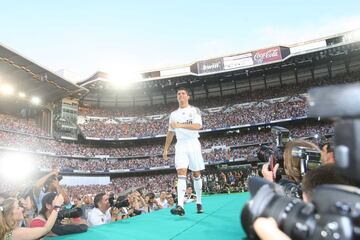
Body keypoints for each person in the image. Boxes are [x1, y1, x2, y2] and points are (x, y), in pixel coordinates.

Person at [163, 87, 205, 216]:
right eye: (178, 94)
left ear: (188, 96)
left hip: (193, 143)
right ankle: (180, 205)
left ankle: (199, 201)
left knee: (196, 174)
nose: (180, 95)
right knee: (181, 172)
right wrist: (165, 149)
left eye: (183, 93)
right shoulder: (173, 114)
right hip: (180, 144)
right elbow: (170, 132)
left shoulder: (194, 110)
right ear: (177, 97)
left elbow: (198, 126)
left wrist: (180, 125)